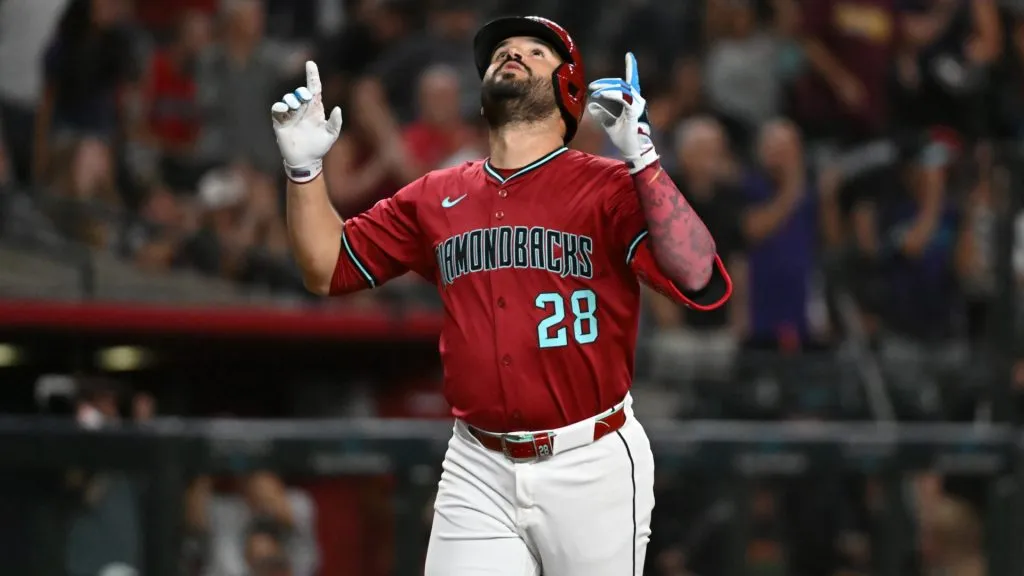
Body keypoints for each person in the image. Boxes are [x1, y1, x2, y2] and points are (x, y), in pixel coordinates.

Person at [271, 16, 731, 575]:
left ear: (568, 89)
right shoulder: (436, 193)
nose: (512, 54)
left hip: (589, 460)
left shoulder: (609, 186)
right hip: (477, 463)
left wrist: (645, 162)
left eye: (535, 52)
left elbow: (697, 274)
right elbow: (327, 267)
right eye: (502, 51)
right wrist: (303, 170)